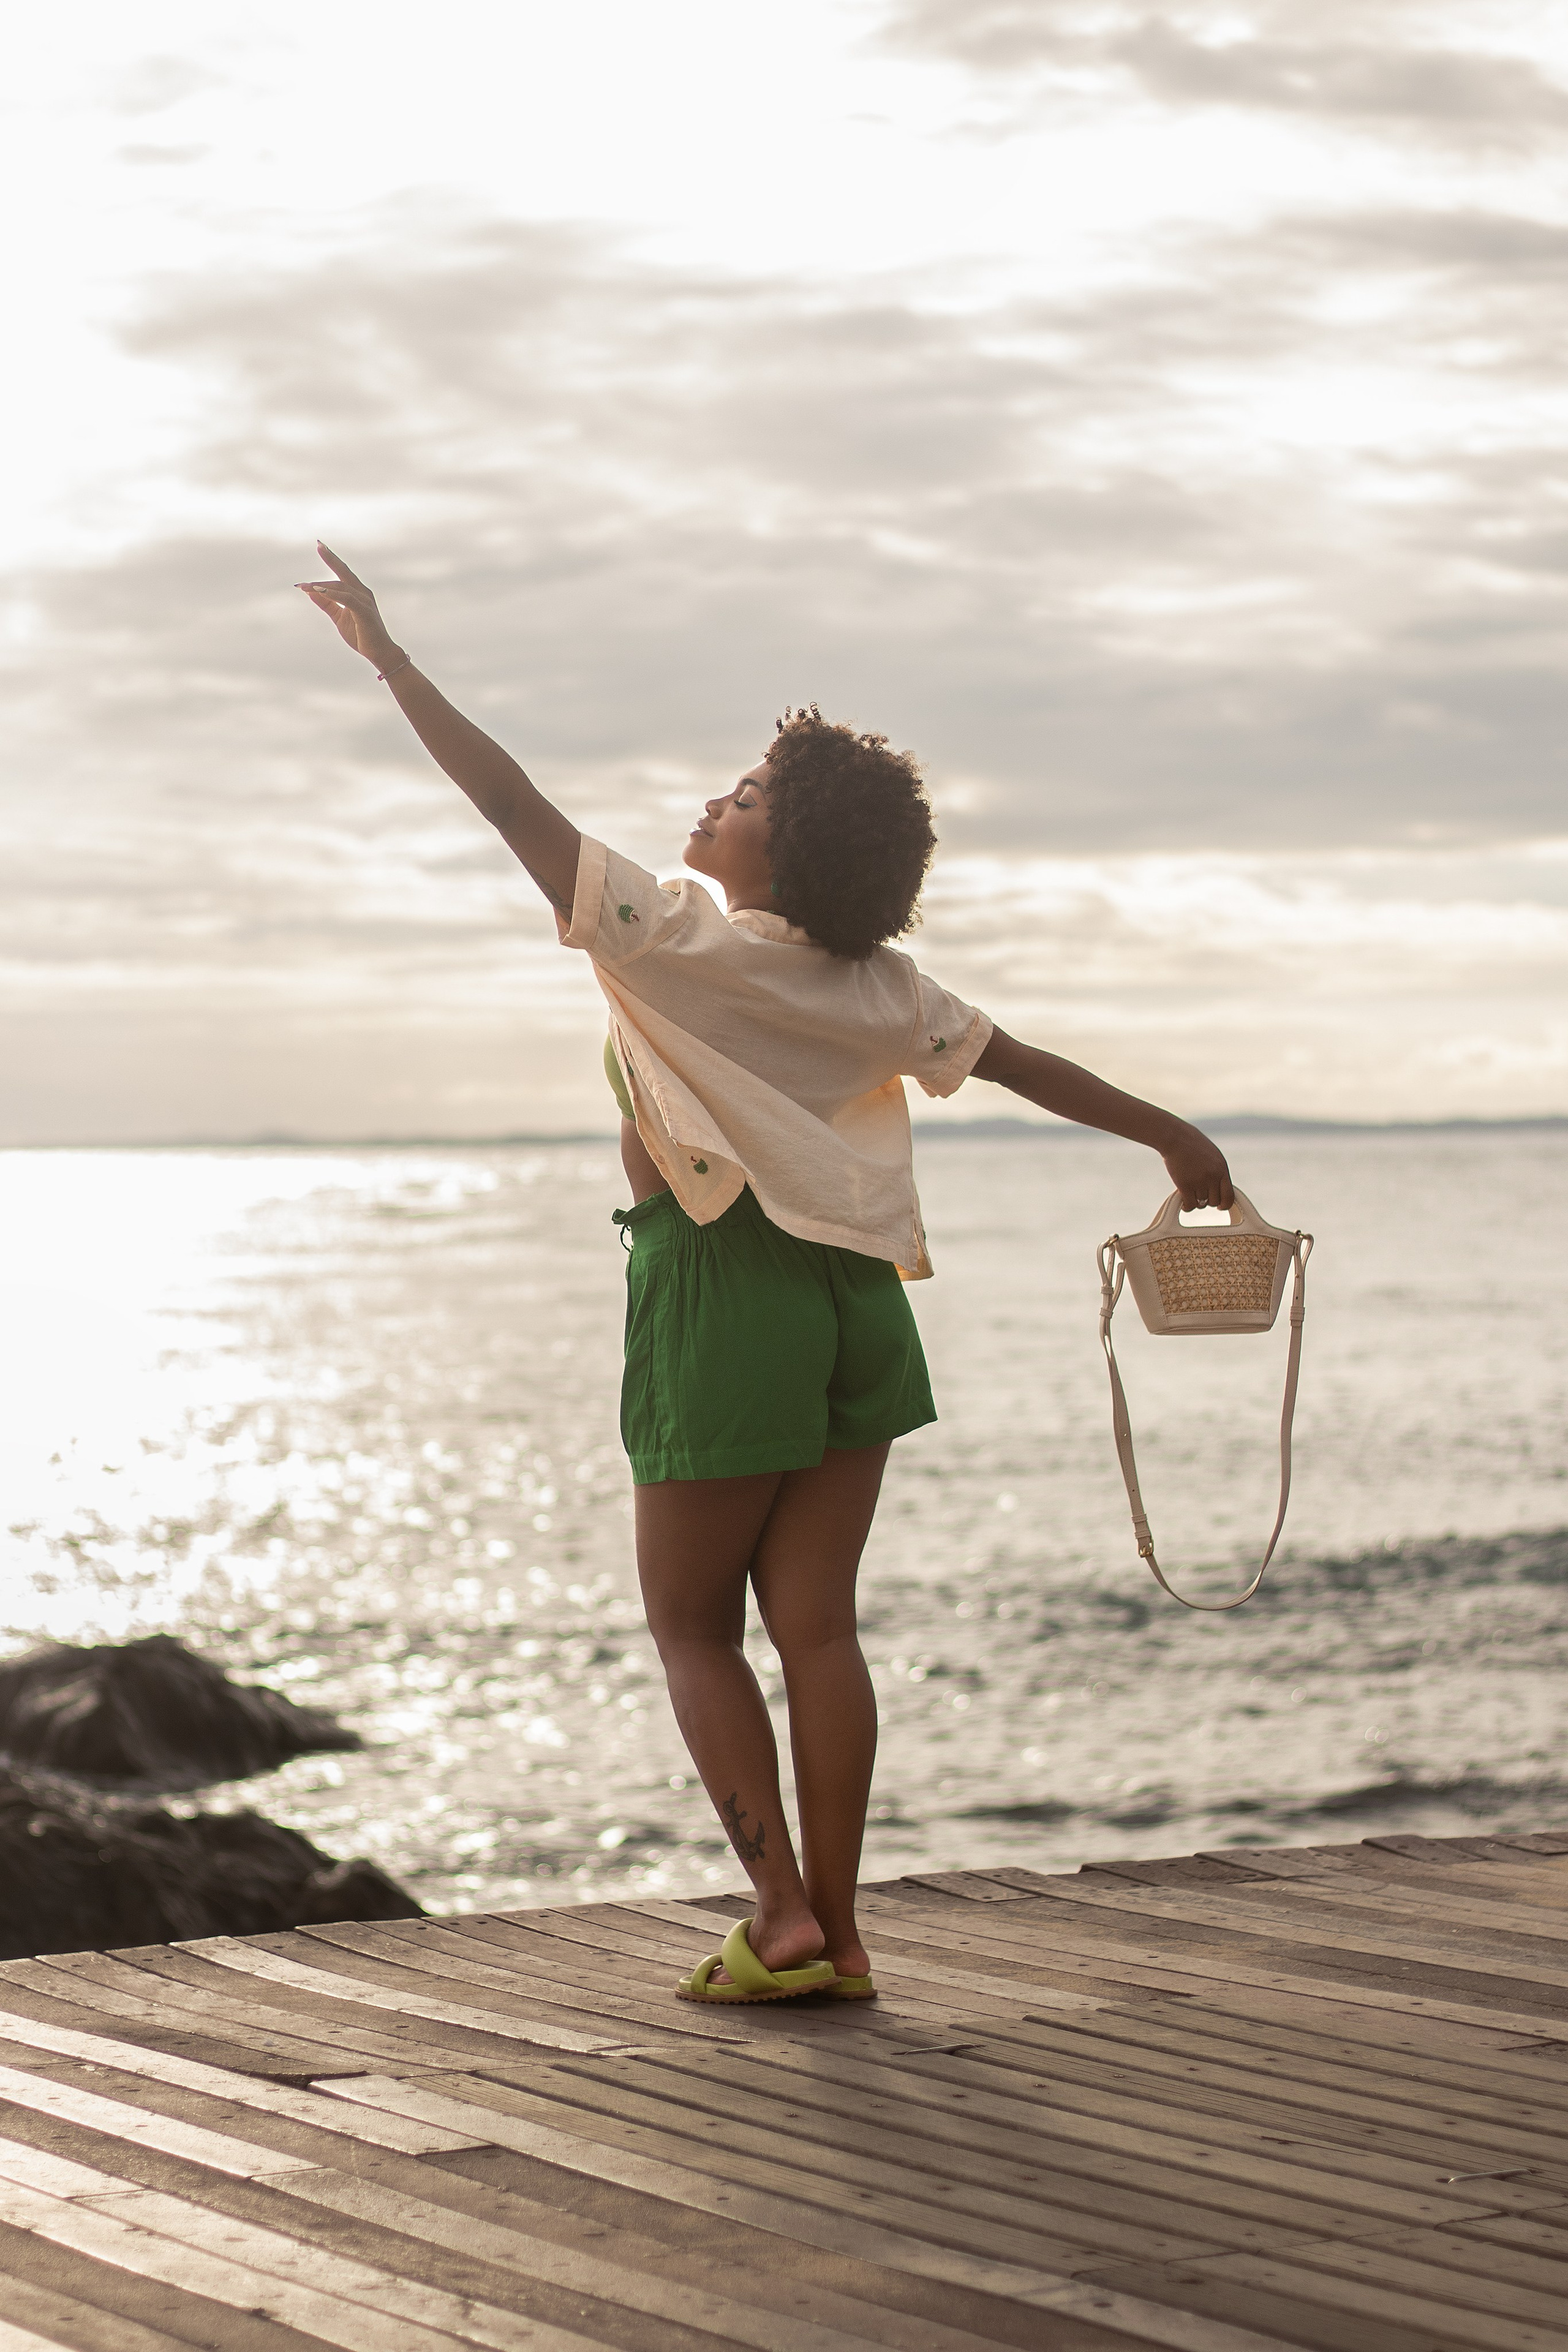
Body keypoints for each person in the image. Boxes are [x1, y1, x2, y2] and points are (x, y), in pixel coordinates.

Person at [299, 543, 1235, 2005]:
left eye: (740, 800)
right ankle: (840, 1938)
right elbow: (1029, 1068)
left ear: (778, 858)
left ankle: (778, 1911)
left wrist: (394, 663)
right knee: (817, 1631)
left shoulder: (673, 940)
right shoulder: (884, 991)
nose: (712, 805)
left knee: (689, 1626)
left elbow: (506, 804)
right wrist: (1178, 1141)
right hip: (854, 1303)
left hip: (717, 1286)